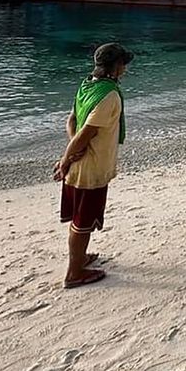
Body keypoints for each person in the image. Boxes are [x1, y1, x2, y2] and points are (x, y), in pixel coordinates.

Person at [54, 42, 133, 289]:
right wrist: (66, 159)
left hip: (81, 161)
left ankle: (81, 258)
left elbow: (72, 121)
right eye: (124, 64)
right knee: (82, 222)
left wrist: (74, 149)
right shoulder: (109, 95)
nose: (126, 69)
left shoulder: (88, 85)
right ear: (117, 67)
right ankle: (74, 272)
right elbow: (87, 130)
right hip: (91, 168)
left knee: (79, 219)